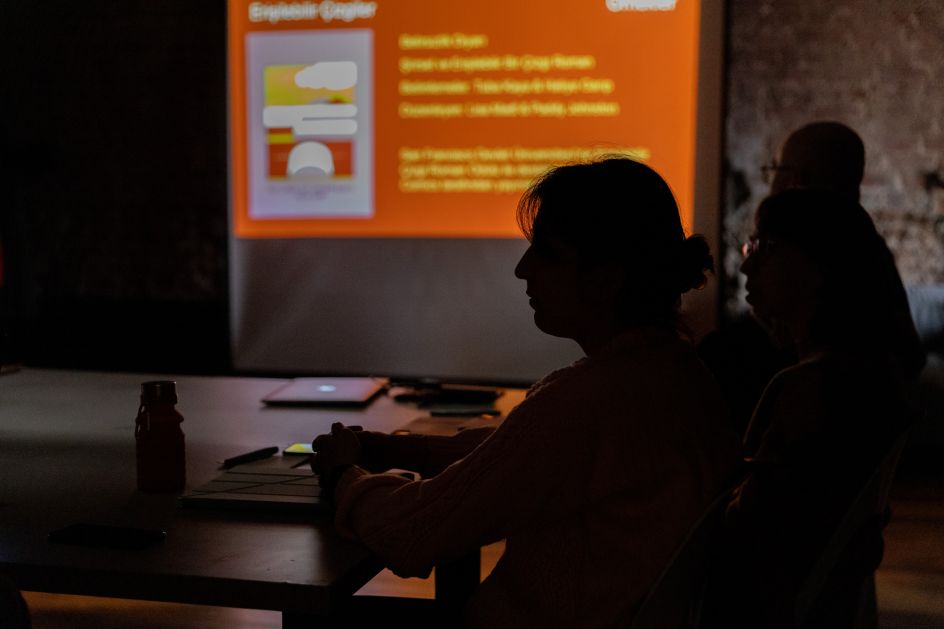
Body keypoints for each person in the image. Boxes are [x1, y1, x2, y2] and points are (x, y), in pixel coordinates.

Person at [312, 156, 742, 628]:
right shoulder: (676, 374)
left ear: (606, 280)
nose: (522, 270)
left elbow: (413, 532)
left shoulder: (588, 400)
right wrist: (391, 449)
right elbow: (518, 458)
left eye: (546, 253)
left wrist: (341, 477)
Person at [703, 188, 919, 628]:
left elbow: (744, 539)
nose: (746, 264)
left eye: (765, 247)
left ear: (821, 264)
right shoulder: (870, 373)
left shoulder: (814, 389)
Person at [700, 121, 924, 436]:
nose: (748, 268)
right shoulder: (870, 254)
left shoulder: (806, 381)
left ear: (796, 181)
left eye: (763, 249)